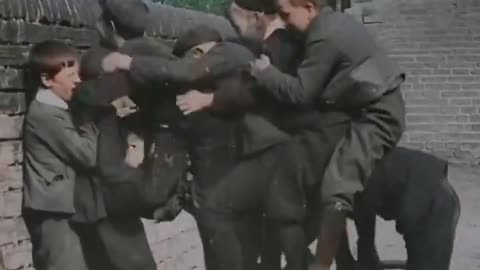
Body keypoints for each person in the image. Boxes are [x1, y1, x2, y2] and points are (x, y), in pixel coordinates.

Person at [247, 0, 406, 269]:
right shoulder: (329, 24)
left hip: (376, 115)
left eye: (286, 14)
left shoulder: (323, 36)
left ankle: (321, 266)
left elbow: (300, 93)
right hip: (359, 107)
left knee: (337, 185)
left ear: (308, 7)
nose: (284, 21)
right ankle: (352, 258)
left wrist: (265, 73)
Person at [22, 40, 97, 270]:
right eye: (71, 75)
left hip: (58, 209)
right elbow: (87, 155)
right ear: (47, 80)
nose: (78, 81)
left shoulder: (55, 108)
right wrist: (89, 120)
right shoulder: (46, 115)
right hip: (52, 212)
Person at [335, 147, 460, 270]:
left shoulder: (344, 173)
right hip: (426, 195)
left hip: (434, 200)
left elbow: (362, 211)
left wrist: (365, 253)